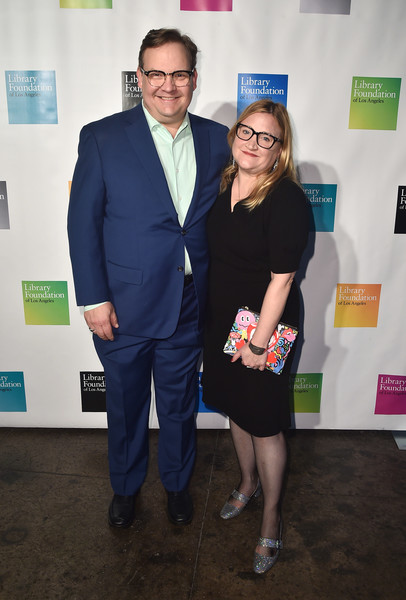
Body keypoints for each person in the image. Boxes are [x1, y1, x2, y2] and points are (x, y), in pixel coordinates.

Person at [67, 28, 229, 529]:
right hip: (123, 304)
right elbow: (82, 223)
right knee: (126, 405)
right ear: (139, 78)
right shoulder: (103, 136)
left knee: (180, 406)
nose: (167, 84)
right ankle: (125, 488)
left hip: (188, 302)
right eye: (155, 73)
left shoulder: (218, 139)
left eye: (179, 73)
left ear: (194, 79)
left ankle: (178, 485)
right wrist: (93, 299)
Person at [202, 100, 309, 573]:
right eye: (247, 131)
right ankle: (247, 483)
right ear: (234, 134)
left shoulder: (286, 199)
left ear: (279, 150)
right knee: (236, 408)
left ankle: (271, 517)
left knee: (265, 421)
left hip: (268, 325)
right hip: (226, 320)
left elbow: (281, 281)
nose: (253, 143)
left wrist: (259, 345)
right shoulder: (224, 183)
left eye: (267, 138)